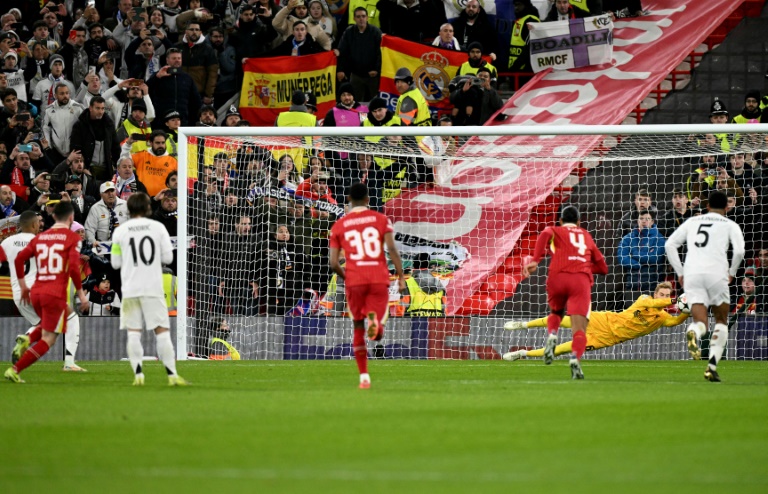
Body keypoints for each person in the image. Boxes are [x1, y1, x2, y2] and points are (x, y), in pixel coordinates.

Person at [329, 182, 406, 389]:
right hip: (378, 277)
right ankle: (376, 323)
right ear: (368, 200)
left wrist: (348, 278)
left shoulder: (339, 225)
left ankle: (364, 377)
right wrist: (400, 277)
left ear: (348, 200)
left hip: (355, 279)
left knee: (357, 326)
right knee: (378, 328)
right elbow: (391, 249)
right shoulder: (381, 219)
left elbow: (334, 263)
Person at [4, 202, 90, 383]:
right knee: (50, 337)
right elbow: (74, 267)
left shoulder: (41, 238)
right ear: (71, 218)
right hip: (53, 292)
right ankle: (16, 369)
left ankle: (28, 338)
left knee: (53, 321)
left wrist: (22, 285)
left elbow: (19, 259)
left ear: (53, 217)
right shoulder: (70, 237)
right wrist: (81, 294)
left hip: (34, 292)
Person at [665, 190, 745, 382]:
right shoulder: (730, 224)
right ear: (726, 207)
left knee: (701, 321)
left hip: (692, 274)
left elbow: (670, 245)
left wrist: (680, 272)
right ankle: (711, 366)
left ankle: (694, 330)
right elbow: (740, 251)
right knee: (721, 320)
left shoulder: (693, 221)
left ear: (707, 206)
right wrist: (732, 273)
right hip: (717, 273)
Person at [520, 205, 608, 379]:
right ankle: (575, 359)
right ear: (579, 222)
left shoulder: (556, 230)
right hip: (580, 280)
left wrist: (536, 260)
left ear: (560, 221)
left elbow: (545, 232)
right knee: (580, 330)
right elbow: (603, 268)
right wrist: (584, 266)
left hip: (557, 275)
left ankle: (553, 334)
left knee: (556, 311)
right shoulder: (586, 235)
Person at [110, 192, 186, 386]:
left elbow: (115, 263)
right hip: (153, 286)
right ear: (148, 208)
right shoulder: (157, 228)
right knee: (162, 332)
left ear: (129, 209)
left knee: (134, 332)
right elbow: (168, 258)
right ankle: (172, 375)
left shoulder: (120, 231)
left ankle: (138, 375)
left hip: (130, 287)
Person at [503, 282, 688, 360]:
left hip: (606, 339)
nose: (664, 297)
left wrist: (687, 310)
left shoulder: (662, 317)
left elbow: (676, 321)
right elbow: (656, 303)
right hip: (602, 321)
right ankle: (524, 325)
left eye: (668, 295)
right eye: (662, 294)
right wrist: (675, 300)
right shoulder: (645, 300)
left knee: (560, 350)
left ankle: (522, 353)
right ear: (656, 294)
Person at [335, 7, 382, 103]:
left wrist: (376, 69)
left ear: (367, 18)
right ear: (354, 18)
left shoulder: (376, 32)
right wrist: (340, 69)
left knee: (376, 102)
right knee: (355, 103)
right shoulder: (349, 32)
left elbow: (381, 53)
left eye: (363, 16)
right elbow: (342, 51)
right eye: (358, 17)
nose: (361, 19)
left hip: (373, 75)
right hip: (356, 75)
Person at [618, 210, 666, 297]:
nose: (644, 221)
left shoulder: (659, 238)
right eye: (641, 218)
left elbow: (655, 258)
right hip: (632, 286)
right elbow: (622, 258)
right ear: (637, 221)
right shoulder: (627, 238)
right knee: (633, 310)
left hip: (653, 286)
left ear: (652, 222)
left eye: (647, 219)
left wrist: (634, 255)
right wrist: (638, 265)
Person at [508, 0, 540, 73]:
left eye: (519, 5)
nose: (516, 8)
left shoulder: (531, 21)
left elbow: (531, 47)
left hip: (526, 71)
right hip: (516, 70)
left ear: (526, 5)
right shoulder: (519, 21)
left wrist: (515, 66)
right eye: (515, 5)